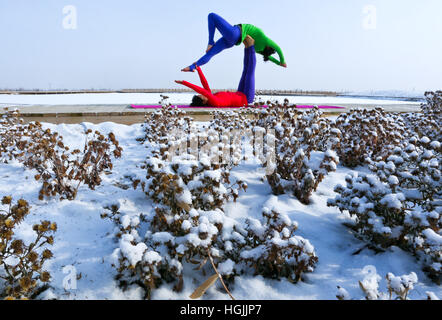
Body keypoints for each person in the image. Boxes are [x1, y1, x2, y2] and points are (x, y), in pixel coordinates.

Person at [181, 12, 287, 72]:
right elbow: (271, 58)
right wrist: (279, 63)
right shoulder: (259, 50)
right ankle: (192, 66)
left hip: (235, 33)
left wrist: (282, 60)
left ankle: (210, 41)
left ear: (269, 46)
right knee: (211, 53)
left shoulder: (265, 40)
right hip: (232, 42)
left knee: (211, 16)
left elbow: (278, 48)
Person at [176, 36, 256, 107]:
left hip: (239, 93)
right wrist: (184, 82)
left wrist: (199, 70)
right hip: (246, 99)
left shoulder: (211, 97)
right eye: (201, 96)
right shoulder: (214, 102)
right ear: (203, 102)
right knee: (249, 72)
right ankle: (251, 46)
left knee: (245, 70)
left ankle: (247, 46)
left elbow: (205, 84)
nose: (202, 94)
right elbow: (202, 90)